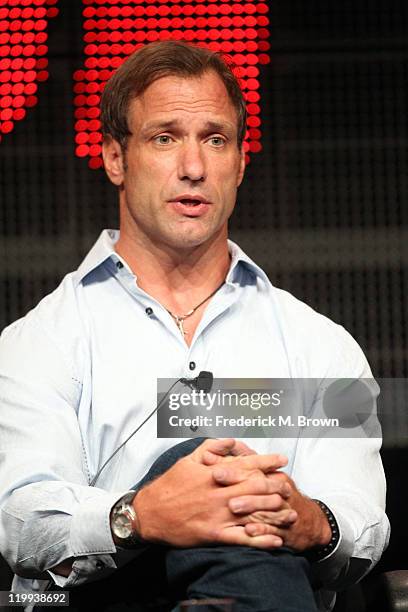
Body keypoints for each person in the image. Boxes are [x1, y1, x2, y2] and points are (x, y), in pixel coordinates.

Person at [0, 41, 389, 611]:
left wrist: (309, 520)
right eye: (165, 138)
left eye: (215, 138)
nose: (194, 167)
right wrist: (144, 516)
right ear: (115, 158)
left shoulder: (319, 344)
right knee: (197, 466)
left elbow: (363, 525)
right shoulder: (40, 341)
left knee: (228, 485)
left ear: (240, 161)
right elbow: (20, 520)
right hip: (109, 598)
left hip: (276, 581)